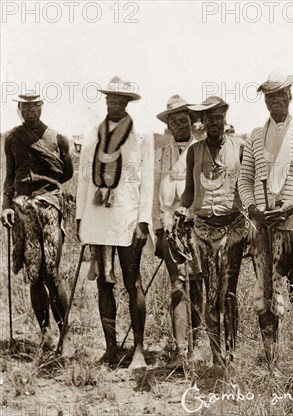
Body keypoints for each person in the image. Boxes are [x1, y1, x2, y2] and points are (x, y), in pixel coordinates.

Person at [238, 71, 293, 371]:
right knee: (265, 293)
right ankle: (271, 360)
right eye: (269, 96)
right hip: (263, 228)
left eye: (280, 95)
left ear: (290, 96)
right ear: (265, 100)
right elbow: (245, 180)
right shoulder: (255, 137)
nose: (275, 101)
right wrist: (253, 209)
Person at [76, 76, 154, 370]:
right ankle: (110, 349)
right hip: (98, 219)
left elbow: (146, 182)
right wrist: (80, 218)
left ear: (128, 103)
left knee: (133, 283)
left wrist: (144, 221)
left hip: (127, 218)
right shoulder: (92, 134)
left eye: (120, 100)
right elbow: (85, 179)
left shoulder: (142, 135)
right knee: (104, 285)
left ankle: (138, 350)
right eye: (110, 99)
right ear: (105, 100)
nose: (114, 104)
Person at [1, 92, 74, 355]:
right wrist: (6, 206)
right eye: (26, 107)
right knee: (34, 275)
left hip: (50, 208)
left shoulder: (57, 138)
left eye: (35, 106)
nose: (31, 111)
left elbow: (66, 173)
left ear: (42, 107)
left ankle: (65, 335)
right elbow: (10, 175)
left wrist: (45, 193)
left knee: (51, 273)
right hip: (23, 210)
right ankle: (45, 333)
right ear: (20, 108)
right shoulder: (12, 138)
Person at [177, 96, 246, 368]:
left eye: (218, 117)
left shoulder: (240, 147)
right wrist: (181, 213)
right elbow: (189, 192)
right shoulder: (194, 152)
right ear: (202, 122)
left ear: (224, 118)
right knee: (210, 291)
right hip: (203, 229)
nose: (213, 123)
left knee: (229, 292)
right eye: (209, 118)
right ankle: (217, 356)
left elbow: (248, 186)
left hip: (234, 228)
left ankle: (233, 352)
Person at [153, 95, 202, 366]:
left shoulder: (201, 148)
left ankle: (198, 344)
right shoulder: (164, 150)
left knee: (196, 284)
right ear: (169, 124)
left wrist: (191, 212)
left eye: (184, 120)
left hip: (196, 226)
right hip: (170, 226)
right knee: (177, 285)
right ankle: (180, 349)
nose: (180, 125)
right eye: (175, 121)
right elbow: (158, 190)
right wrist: (160, 224)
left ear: (192, 122)